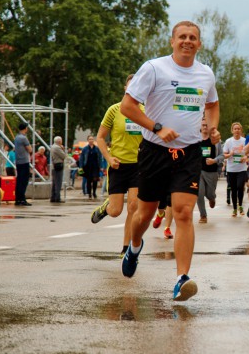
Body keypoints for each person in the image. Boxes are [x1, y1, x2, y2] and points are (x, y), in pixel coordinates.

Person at [120, 20, 220, 302]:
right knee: (145, 213)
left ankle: (181, 279)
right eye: (182, 37)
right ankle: (135, 245)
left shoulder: (205, 74)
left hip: (188, 152)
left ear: (199, 44)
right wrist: (156, 128)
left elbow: (212, 104)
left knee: (184, 213)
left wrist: (212, 127)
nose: (188, 41)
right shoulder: (154, 68)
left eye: (193, 38)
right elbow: (128, 106)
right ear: (172, 41)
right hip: (154, 151)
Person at [90, 74, 144, 257]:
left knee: (133, 207)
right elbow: (100, 137)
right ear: (125, 88)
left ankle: (125, 248)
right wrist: (109, 158)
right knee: (116, 211)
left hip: (137, 166)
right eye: (130, 87)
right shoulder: (114, 110)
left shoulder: (145, 110)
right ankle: (106, 207)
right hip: (118, 165)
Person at [197, 119, 224, 223]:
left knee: (210, 194)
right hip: (198, 171)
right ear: (200, 126)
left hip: (212, 172)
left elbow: (222, 155)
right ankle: (203, 216)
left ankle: (212, 199)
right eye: (203, 125)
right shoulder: (196, 139)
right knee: (199, 193)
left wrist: (214, 160)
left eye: (207, 125)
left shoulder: (215, 141)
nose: (205, 127)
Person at [223, 122, 248, 217]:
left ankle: (240, 205)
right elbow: (224, 155)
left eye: (238, 129)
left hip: (241, 169)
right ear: (232, 130)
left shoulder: (245, 141)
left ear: (241, 130)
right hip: (231, 169)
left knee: (240, 186)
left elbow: (248, 154)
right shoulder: (228, 141)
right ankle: (234, 209)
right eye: (235, 129)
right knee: (233, 189)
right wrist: (230, 154)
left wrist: (245, 158)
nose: (237, 130)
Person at [14, 122, 32, 206]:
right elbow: (30, 149)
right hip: (24, 161)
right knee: (24, 181)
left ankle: (18, 199)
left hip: (18, 161)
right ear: (25, 128)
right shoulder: (23, 138)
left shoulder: (17, 137)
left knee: (19, 180)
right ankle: (22, 199)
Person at [50, 136, 67, 203]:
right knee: (58, 182)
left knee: (54, 182)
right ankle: (57, 197)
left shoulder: (52, 147)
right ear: (59, 141)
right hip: (58, 165)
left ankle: (53, 197)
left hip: (54, 165)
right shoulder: (57, 147)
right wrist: (62, 149)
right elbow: (64, 156)